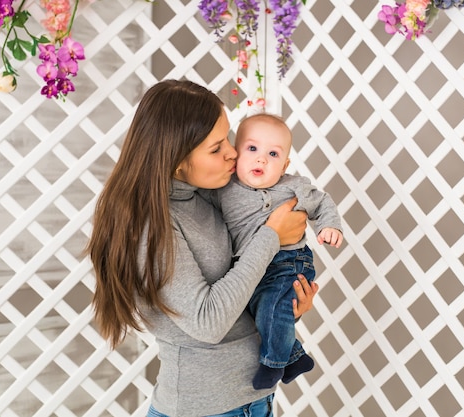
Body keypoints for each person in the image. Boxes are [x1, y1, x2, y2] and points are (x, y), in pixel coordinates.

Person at [86, 79, 318, 417]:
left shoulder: (208, 198)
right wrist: (271, 236)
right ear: (177, 159)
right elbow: (208, 323)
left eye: (228, 138)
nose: (233, 152)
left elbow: (236, 291)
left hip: (253, 402)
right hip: (206, 409)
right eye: (216, 147)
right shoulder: (151, 227)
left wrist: (279, 305)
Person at [211, 113, 343, 390]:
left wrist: (328, 227)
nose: (261, 159)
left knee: (272, 306)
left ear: (285, 165)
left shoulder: (292, 186)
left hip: (288, 261)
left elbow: (322, 203)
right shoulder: (223, 188)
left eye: (273, 154)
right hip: (249, 267)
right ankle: (295, 358)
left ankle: (273, 364)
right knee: (256, 313)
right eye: (252, 149)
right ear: (235, 155)